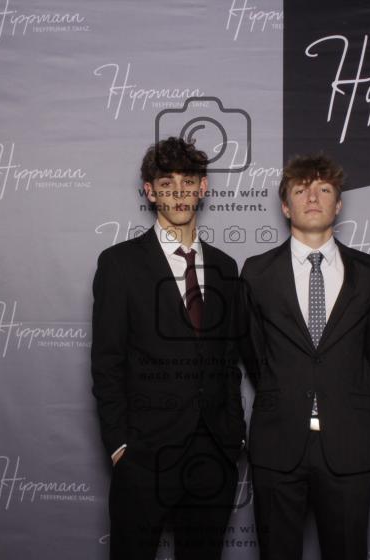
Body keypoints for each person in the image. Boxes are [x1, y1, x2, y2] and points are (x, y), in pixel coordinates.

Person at [91, 137, 246, 560]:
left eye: (188, 182)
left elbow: (228, 361)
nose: (178, 192)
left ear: (203, 188)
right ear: (150, 191)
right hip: (145, 455)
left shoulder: (225, 267)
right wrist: (120, 446)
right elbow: (107, 362)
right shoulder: (119, 264)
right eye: (166, 183)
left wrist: (232, 436)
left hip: (213, 455)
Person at [237, 154, 370, 559]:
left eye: (324, 189)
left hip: (348, 442)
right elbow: (253, 351)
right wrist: (284, 392)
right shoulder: (256, 272)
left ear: (337, 204)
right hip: (277, 441)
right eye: (301, 189)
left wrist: (342, 396)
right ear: (286, 206)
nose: (312, 197)